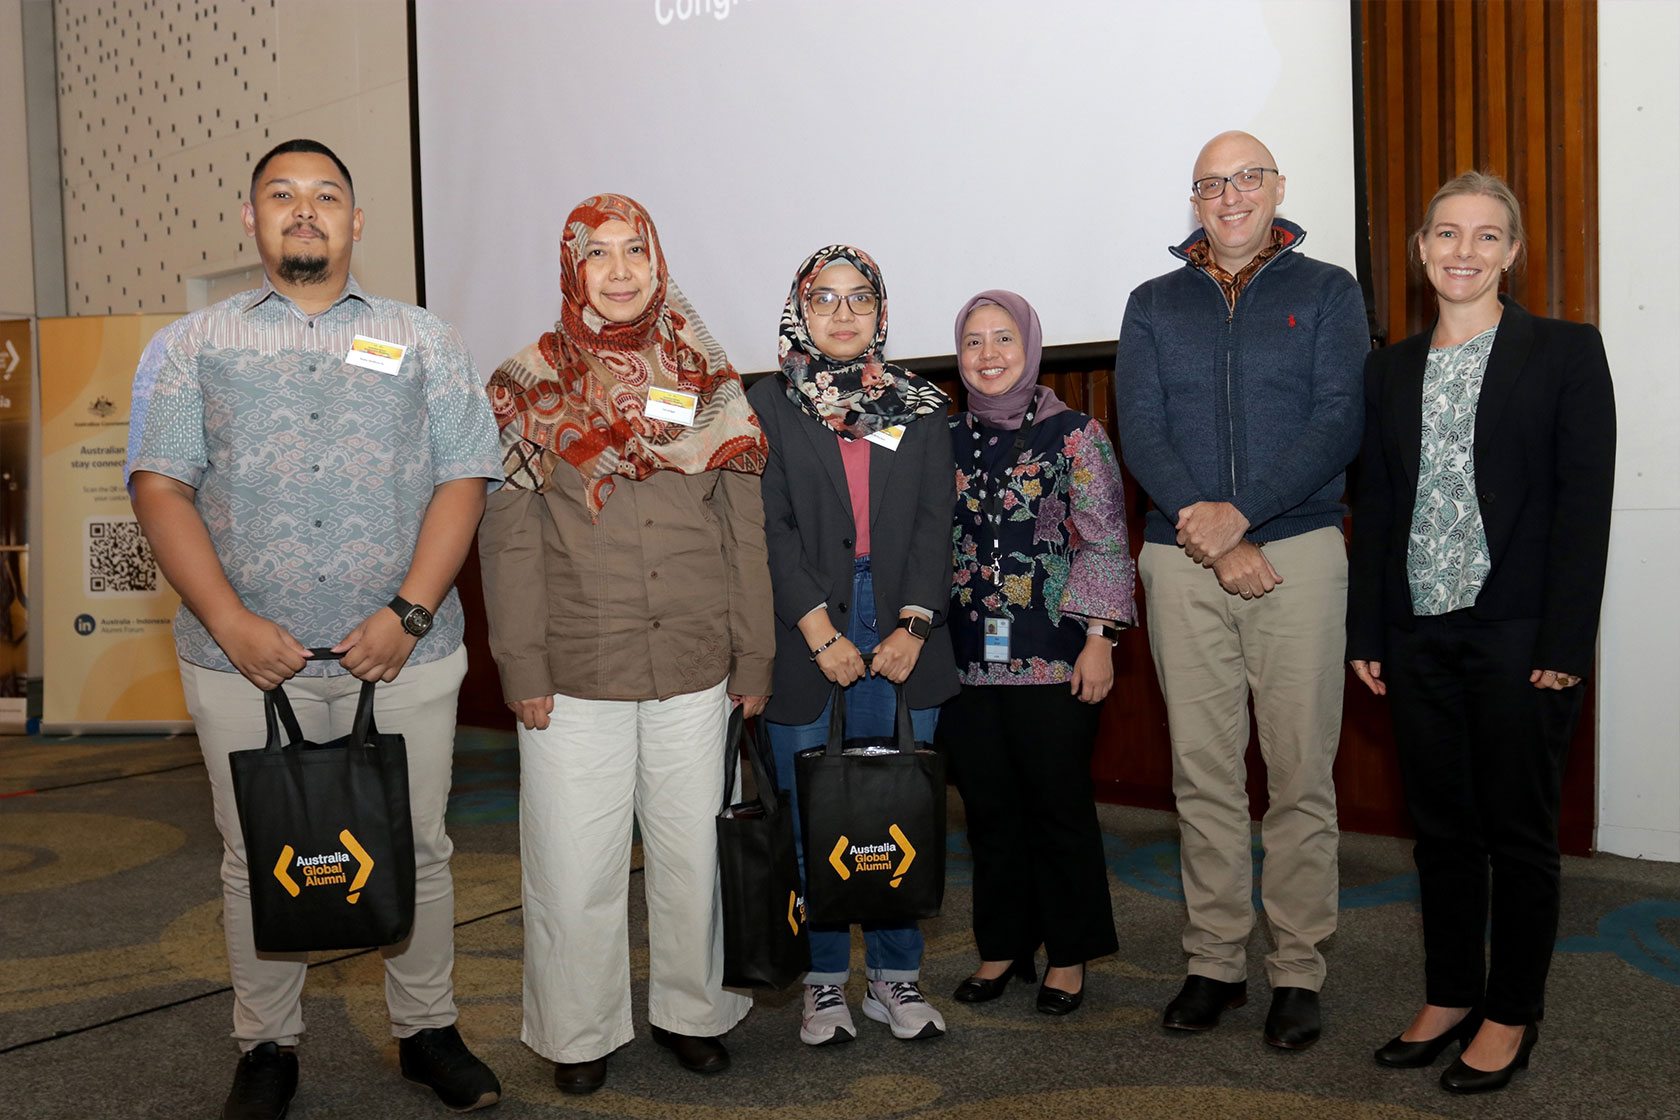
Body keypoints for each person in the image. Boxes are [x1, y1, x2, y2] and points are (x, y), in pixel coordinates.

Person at [126, 138, 503, 1119]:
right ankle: (267, 1045)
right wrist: (232, 622)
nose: (305, 210)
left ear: (356, 221)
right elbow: (160, 489)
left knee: (416, 845)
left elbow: (464, 476)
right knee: (257, 848)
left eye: (327, 195)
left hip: (407, 653)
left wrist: (410, 610)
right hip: (239, 660)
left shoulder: (425, 339)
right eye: (282, 196)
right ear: (250, 220)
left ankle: (427, 1029)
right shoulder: (189, 346)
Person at [476, 193, 774, 1096]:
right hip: (575, 670)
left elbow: (743, 528)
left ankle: (695, 1012)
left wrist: (754, 655)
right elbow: (511, 537)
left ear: (657, 261)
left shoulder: (710, 379)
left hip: (696, 658)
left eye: (633, 251)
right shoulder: (528, 382)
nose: (617, 270)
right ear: (572, 270)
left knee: (693, 857)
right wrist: (520, 665)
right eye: (596, 254)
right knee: (573, 867)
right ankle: (578, 1032)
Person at [1348, 171, 1615, 1094]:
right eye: (1447, 235)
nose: (1465, 251)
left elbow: (1586, 508)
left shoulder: (1567, 353)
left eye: (1487, 236)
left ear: (1513, 253)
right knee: (1442, 831)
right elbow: (1376, 506)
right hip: (1417, 631)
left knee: (1519, 832)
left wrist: (1565, 646)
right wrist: (1369, 628)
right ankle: (1453, 992)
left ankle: (1511, 1012)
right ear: (1421, 250)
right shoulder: (1387, 369)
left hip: (1519, 631)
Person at [1113, 130, 1367, 1049]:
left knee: (1300, 775)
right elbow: (1140, 428)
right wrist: (1212, 534)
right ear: (1194, 200)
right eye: (1211, 184)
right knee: (1204, 775)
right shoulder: (1151, 303)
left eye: (1246, 178)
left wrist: (1245, 517)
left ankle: (1297, 968)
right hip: (1180, 560)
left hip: (1297, 553)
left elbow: (1340, 419)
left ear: (1277, 188)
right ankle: (1214, 960)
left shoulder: (1329, 291)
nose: (1230, 197)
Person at [747, 244, 958, 1047]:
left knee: (895, 805)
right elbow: (769, 527)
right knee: (812, 813)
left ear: (880, 312)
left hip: (901, 619)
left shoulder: (919, 404)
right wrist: (820, 631)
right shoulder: (767, 405)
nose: (842, 314)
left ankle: (897, 978)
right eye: (825, 298)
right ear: (801, 309)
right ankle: (826, 984)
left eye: (859, 299)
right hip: (805, 621)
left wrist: (912, 624)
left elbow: (938, 523)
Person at [939, 290, 1137, 1015]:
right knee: (988, 811)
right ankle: (1002, 947)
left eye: (1003, 341)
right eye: (973, 343)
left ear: (1030, 349)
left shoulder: (1075, 435)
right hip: (963, 660)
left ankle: (1069, 953)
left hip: (1056, 656)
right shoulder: (942, 438)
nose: (988, 355)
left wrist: (1098, 640)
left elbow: (1105, 538)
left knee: (1058, 809)